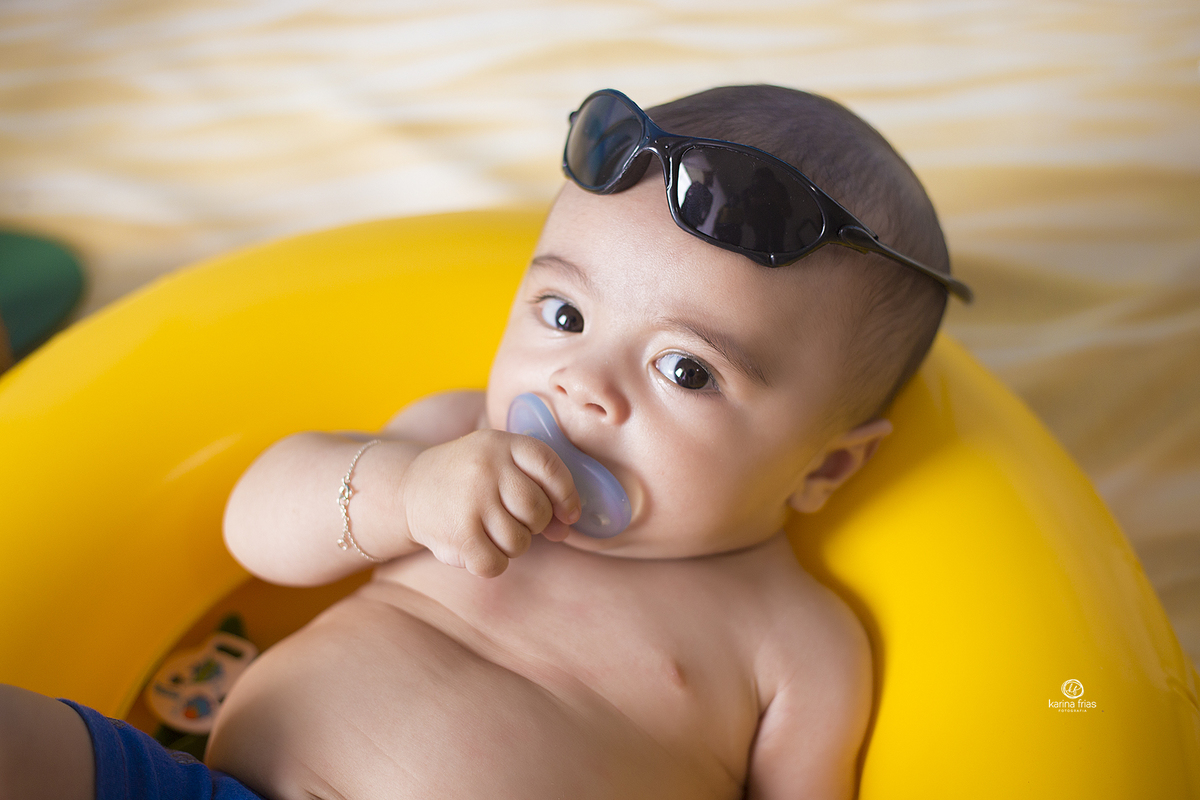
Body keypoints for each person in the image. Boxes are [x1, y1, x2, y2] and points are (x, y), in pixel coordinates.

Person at [0, 84, 970, 800]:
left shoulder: (796, 642)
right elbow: (255, 529)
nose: (581, 383)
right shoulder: (451, 438)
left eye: (685, 370)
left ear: (825, 465)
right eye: (564, 314)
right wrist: (404, 491)